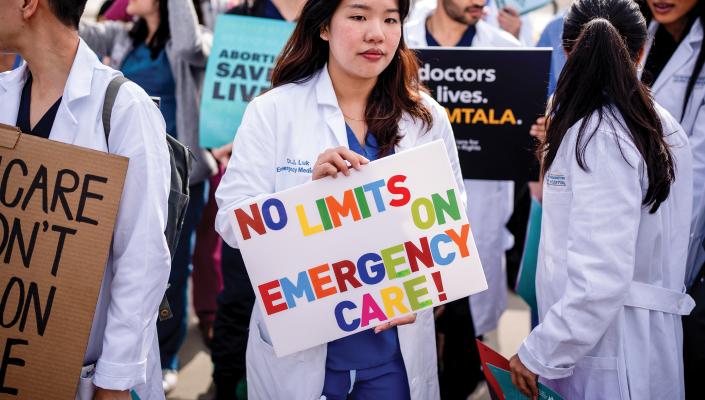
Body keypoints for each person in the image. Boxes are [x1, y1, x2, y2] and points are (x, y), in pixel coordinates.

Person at [215, 0, 464, 398]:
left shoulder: (426, 118)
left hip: (393, 360)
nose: (376, 34)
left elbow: (451, 219)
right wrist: (307, 200)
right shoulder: (272, 111)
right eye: (359, 16)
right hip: (303, 352)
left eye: (390, 19)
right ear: (324, 27)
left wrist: (422, 290)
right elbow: (229, 221)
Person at [509, 0, 695, 398]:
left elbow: (599, 278)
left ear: (567, 51)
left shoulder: (598, 136)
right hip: (632, 340)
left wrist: (539, 352)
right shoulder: (658, 124)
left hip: (609, 349)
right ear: (642, 50)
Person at [0, 0, 171, 398]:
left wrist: (113, 382)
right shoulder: (4, 96)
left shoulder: (126, 109)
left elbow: (142, 260)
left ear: (28, 4)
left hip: (88, 372)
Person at [78, 0, 218, 392]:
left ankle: (167, 355)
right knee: (127, 270)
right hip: (128, 170)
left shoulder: (191, 43)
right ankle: (126, 353)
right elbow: (71, 31)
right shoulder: (122, 35)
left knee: (171, 271)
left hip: (178, 176)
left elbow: (189, 42)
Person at [405, 3, 519, 397]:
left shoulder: (508, 50)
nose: (480, 3)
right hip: (410, 203)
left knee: (466, 335)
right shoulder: (402, 37)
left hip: (483, 205)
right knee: (411, 319)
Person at [208, 2, 305, 398]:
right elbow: (219, 89)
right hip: (246, 169)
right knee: (238, 292)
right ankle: (227, 381)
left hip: (305, 174)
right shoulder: (243, 15)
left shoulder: (333, 12)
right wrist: (220, 142)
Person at [638, 1, 705, 397]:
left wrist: (675, 262)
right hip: (637, 223)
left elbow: (696, 172)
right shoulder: (641, 38)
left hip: (686, 237)